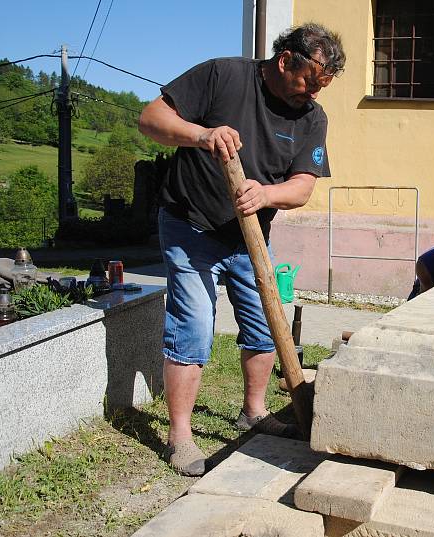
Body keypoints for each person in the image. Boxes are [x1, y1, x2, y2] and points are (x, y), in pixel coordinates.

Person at [138, 23, 346, 476]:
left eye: (322, 86)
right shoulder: (223, 76)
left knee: (265, 324)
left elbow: (302, 187)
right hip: (191, 225)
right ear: (286, 59)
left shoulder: (312, 118)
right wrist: (201, 135)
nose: (312, 95)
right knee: (193, 324)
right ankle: (180, 436)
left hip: (251, 236)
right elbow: (150, 119)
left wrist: (266, 194)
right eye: (309, 82)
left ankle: (254, 410)